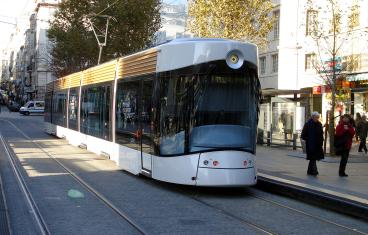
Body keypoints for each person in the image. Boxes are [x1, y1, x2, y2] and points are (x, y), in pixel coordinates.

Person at [301, 111, 324, 176]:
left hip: (317, 144)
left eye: (318, 117)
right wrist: (308, 139)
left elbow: (321, 134)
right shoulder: (308, 124)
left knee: (313, 158)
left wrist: (321, 141)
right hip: (310, 144)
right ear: (312, 117)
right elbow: (303, 135)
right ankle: (314, 171)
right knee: (313, 158)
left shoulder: (319, 124)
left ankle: (309, 171)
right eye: (316, 117)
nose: (317, 118)